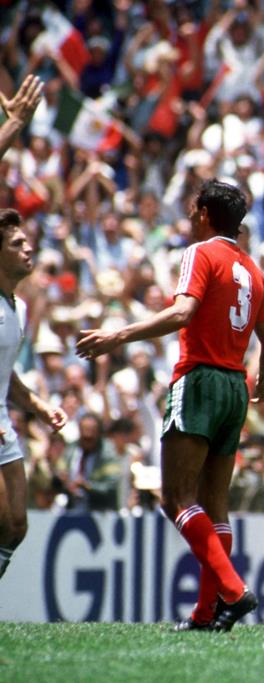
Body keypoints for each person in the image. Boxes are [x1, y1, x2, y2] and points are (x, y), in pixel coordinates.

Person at [76, 180, 264, 632]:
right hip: (235, 386)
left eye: (192, 209)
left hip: (200, 379)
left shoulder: (200, 253)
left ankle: (233, 591)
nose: (188, 216)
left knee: (176, 497)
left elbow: (183, 312)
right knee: (215, 504)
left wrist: (118, 335)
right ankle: (207, 613)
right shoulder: (255, 271)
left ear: (205, 214)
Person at [0, 74, 69, 581]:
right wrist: (14, 127)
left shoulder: (18, 308)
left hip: (3, 416)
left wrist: (39, 406)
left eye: (28, 242)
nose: (29, 248)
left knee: (15, 526)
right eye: (16, 243)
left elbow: (6, 376)